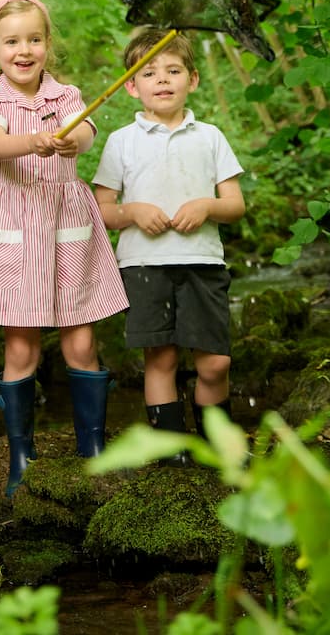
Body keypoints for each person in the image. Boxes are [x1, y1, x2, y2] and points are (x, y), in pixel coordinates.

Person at [0, 0, 129, 498]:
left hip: (66, 224)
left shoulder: (66, 96)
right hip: (16, 222)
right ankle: (21, 457)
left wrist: (69, 140)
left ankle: (93, 450)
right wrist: (34, 141)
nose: (24, 50)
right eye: (12, 41)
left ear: (47, 44)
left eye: (34, 39)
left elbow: (85, 136)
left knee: (81, 339)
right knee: (22, 344)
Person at [91, 27, 245, 463]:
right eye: (149, 72)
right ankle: (172, 452)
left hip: (203, 263)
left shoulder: (210, 136)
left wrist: (207, 205)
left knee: (215, 362)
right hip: (144, 264)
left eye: (173, 70)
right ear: (131, 86)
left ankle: (219, 446)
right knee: (160, 359)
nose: (162, 79)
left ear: (192, 80)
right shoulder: (122, 141)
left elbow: (235, 205)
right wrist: (134, 211)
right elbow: (103, 208)